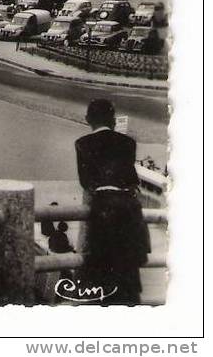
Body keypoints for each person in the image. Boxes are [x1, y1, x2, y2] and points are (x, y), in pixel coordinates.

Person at [75, 98, 150, 305]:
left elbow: (86, 182)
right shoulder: (129, 143)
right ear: (114, 120)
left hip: (103, 211)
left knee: (101, 268)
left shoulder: (82, 144)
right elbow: (131, 180)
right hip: (128, 211)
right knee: (126, 271)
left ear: (88, 119)